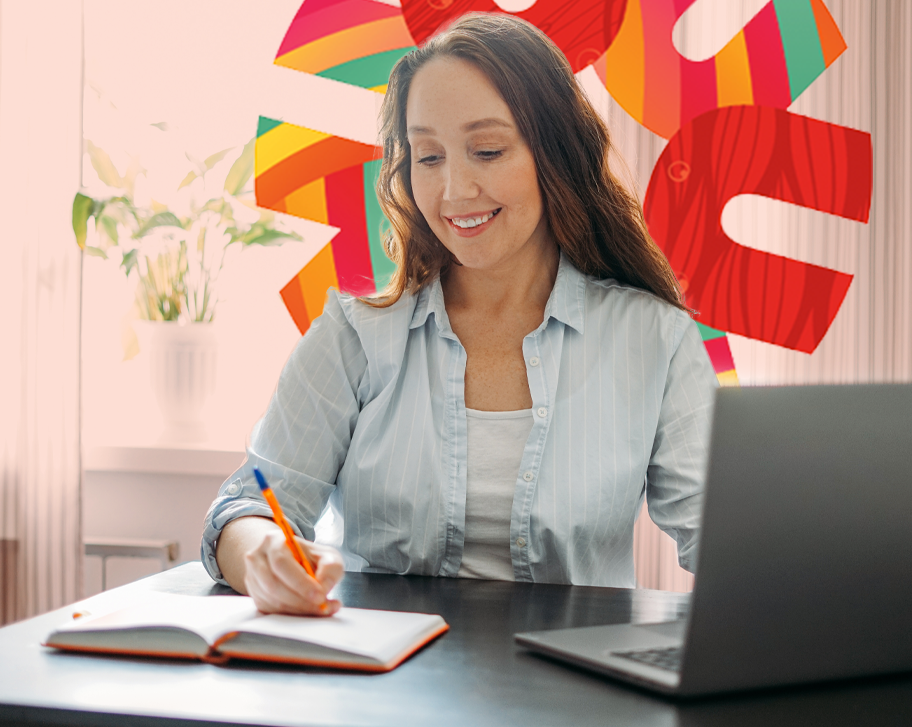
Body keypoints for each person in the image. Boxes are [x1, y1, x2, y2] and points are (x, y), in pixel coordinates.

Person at [202, 13, 717, 616]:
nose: (454, 190)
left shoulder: (654, 339)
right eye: (428, 157)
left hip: (574, 692)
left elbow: (729, 539)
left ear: (556, 153)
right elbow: (247, 508)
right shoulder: (354, 337)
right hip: (386, 686)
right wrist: (265, 554)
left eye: (488, 150)